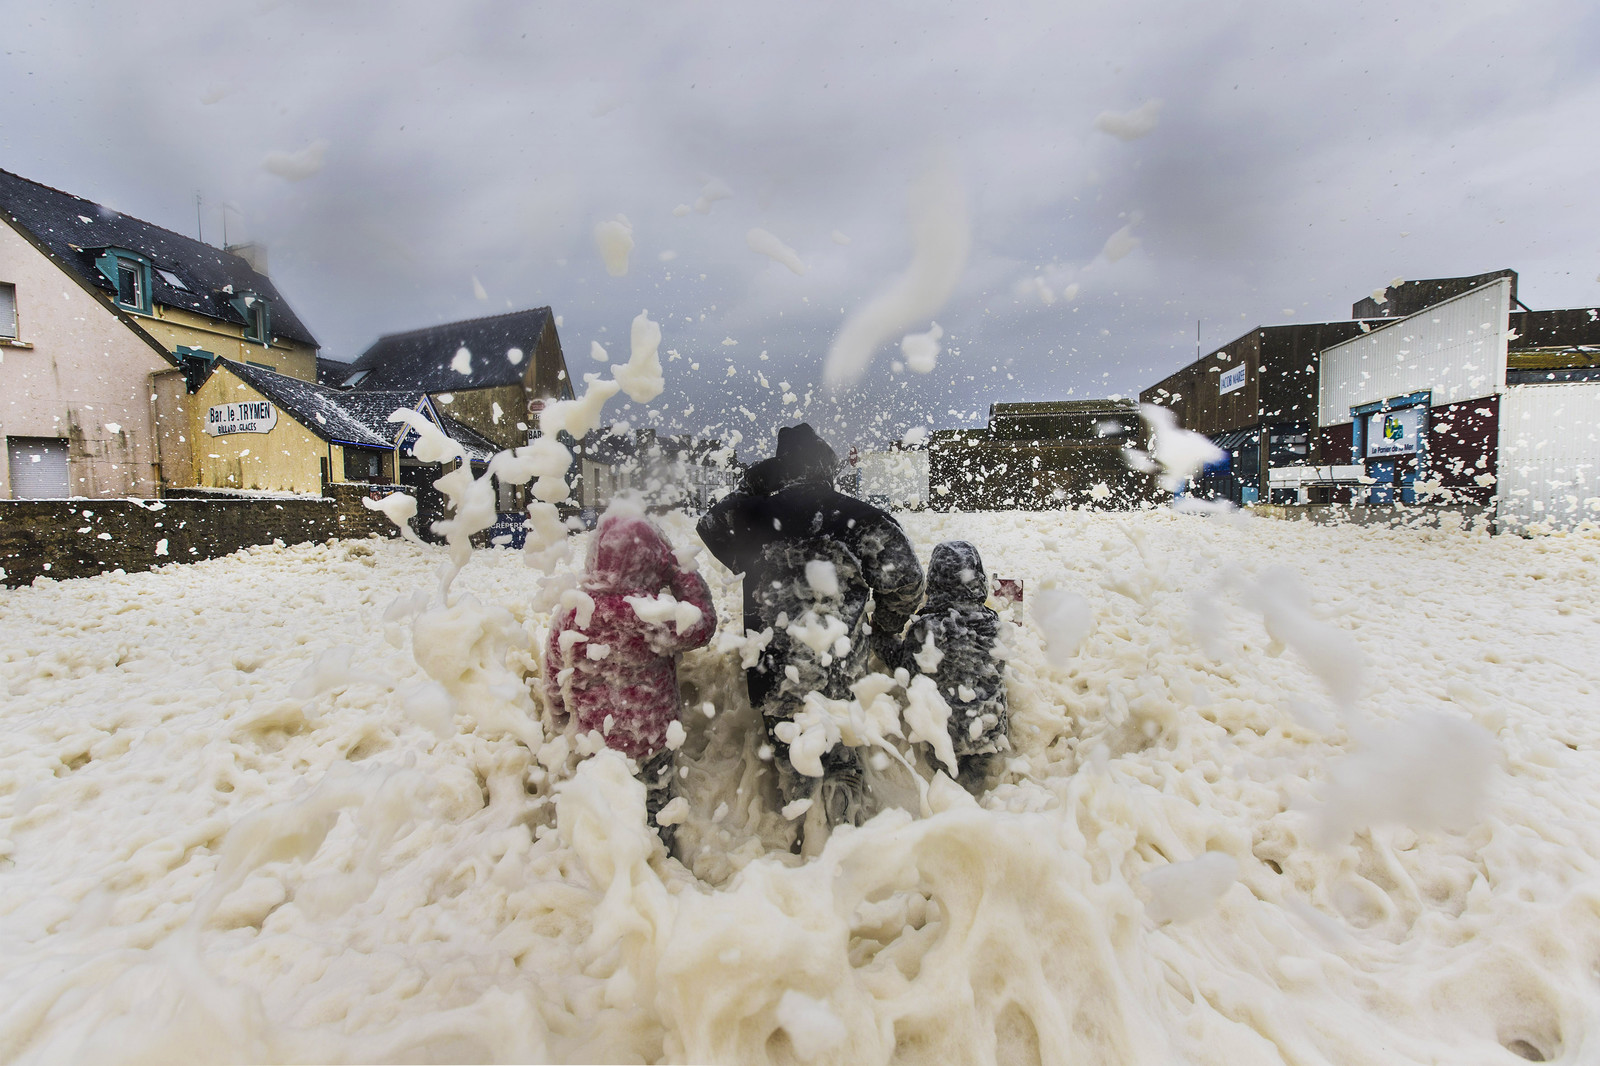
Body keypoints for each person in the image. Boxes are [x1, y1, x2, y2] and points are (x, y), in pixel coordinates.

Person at [697, 424, 924, 832]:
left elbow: (709, 525)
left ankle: (805, 837)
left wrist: (753, 485)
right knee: (841, 761)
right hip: (840, 672)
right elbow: (907, 583)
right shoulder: (861, 518)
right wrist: (883, 626)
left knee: (793, 758)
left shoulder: (754, 517)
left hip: (774, 674)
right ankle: (843, 837)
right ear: (828, 467)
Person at [545, 509, 716, 848]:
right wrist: (680, 569)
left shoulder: (572, 612)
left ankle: (602, 865)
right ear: (653, 561)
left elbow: (554, 670)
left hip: (594, 738)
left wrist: (559, 714)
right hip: (651, 737)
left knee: (602, 811)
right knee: (655, 812)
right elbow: (702, 625)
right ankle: (658, 863)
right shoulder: (653, 615)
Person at [884, 540, 1010, 794]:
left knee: (945, 791)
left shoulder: (927, 629)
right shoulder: (993, 624)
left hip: (944, 742)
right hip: (989, 735)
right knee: (978, 788)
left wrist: (881, 635)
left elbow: (904, 670)